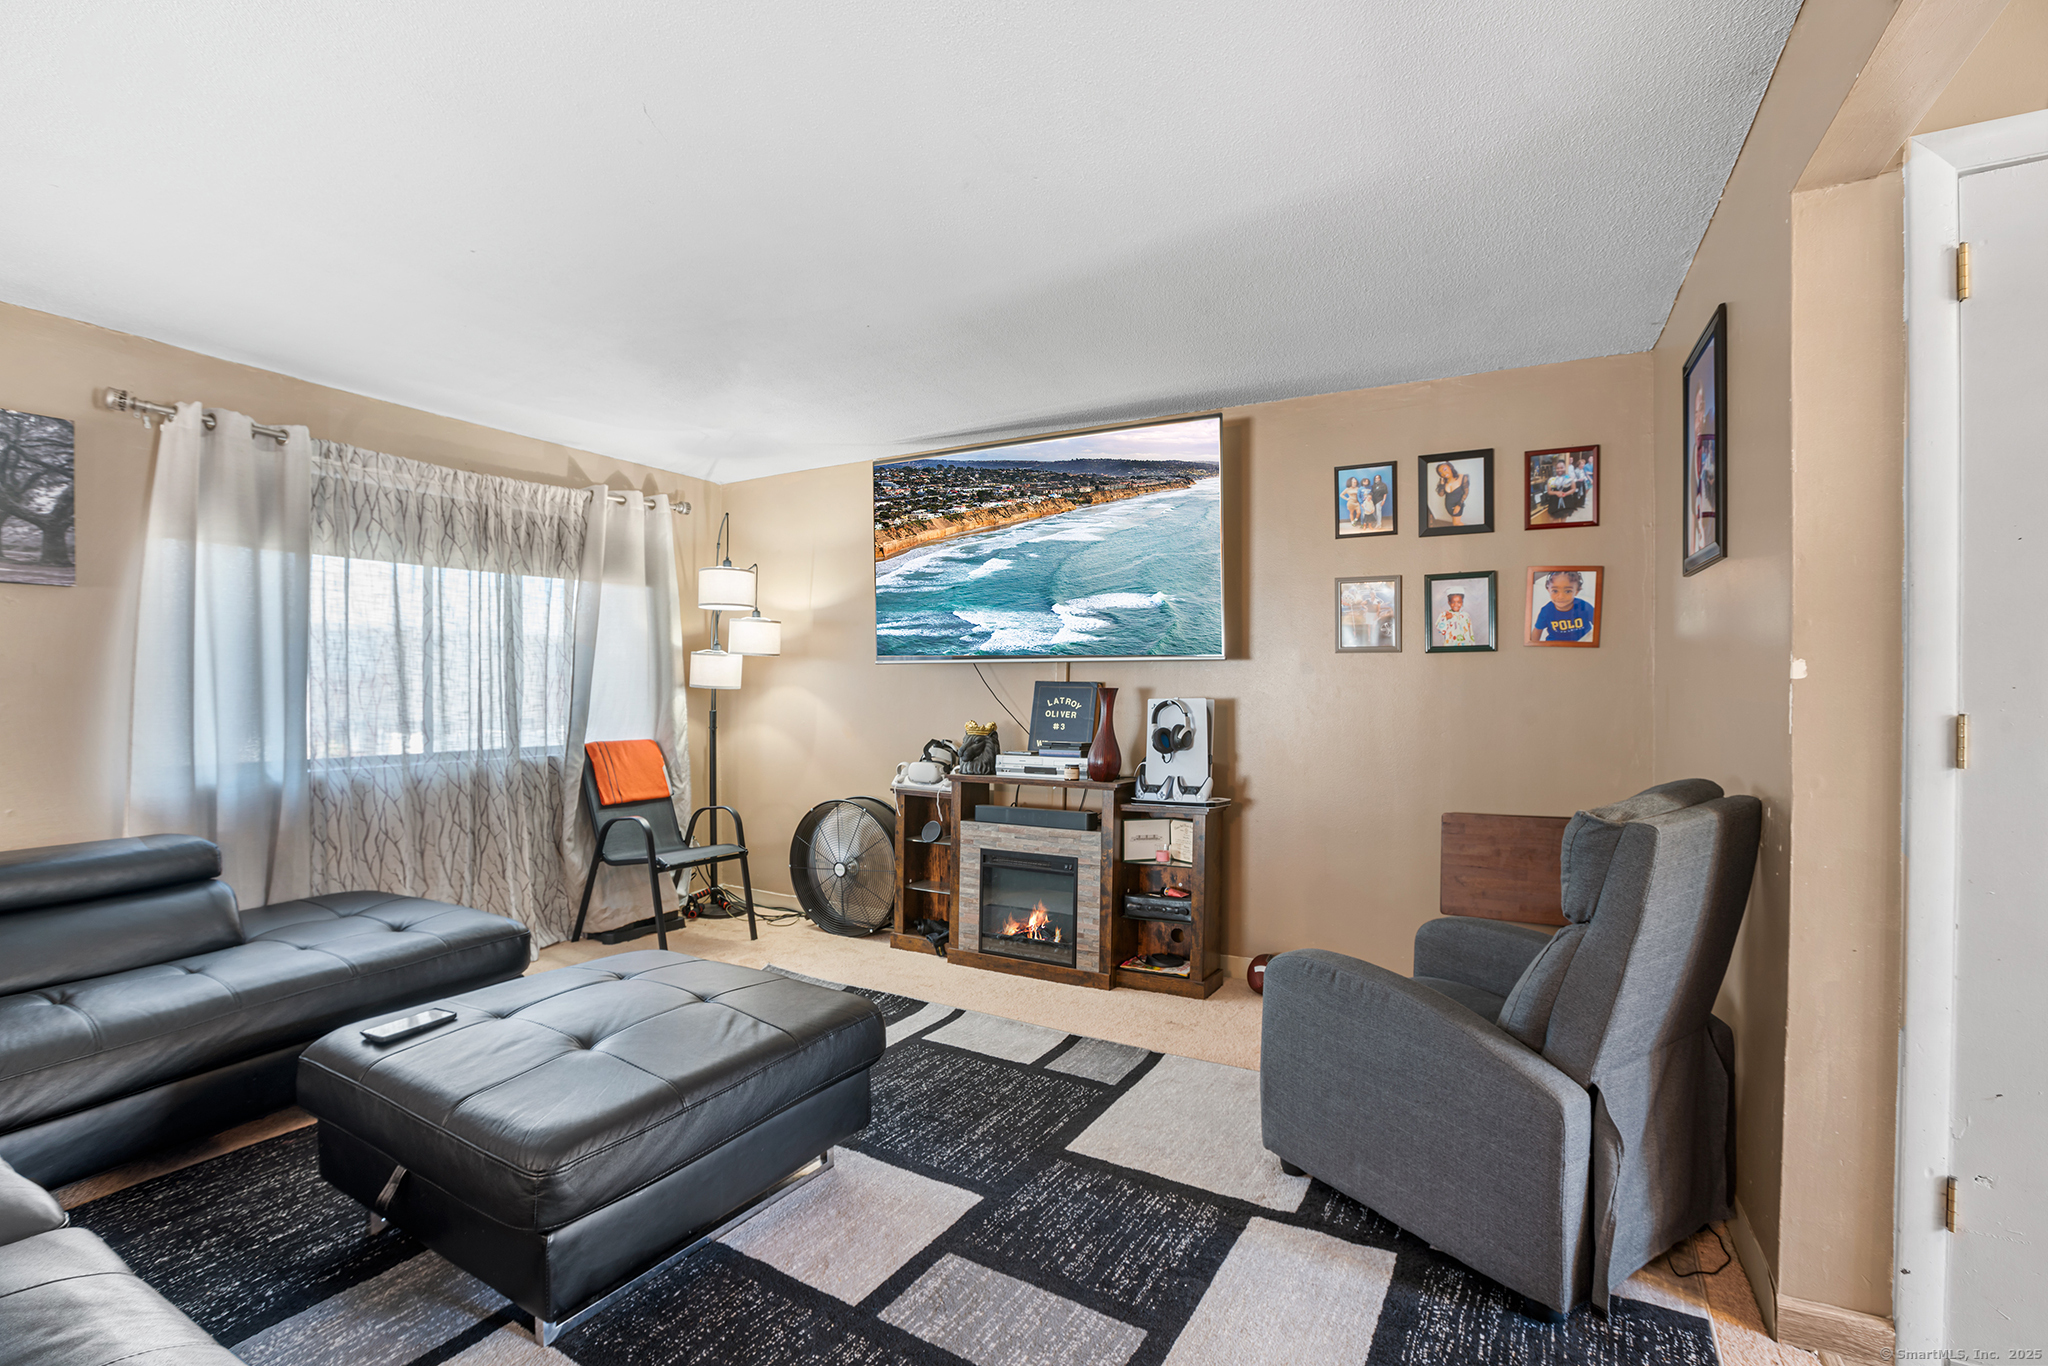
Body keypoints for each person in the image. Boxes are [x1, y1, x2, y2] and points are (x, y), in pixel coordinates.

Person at [1533, 571, 1595, 642]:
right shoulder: (1546, 611)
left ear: (1577, 591)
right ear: (1548, 590)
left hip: (1583, 640)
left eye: (1568, 591)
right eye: (1555, 591)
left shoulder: (1584, 606)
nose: (1561, 596)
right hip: (1556, 644)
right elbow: (1537, 631)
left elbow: (1600, 624)